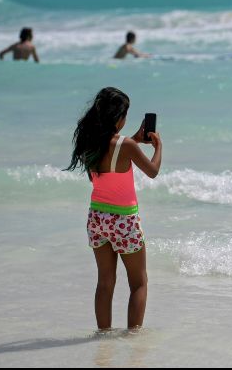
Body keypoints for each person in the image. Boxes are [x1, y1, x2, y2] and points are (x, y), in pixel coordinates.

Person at [65, 87, 163, 331]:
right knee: (139, 283)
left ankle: (103, 338)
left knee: (105, 283)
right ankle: (132, 339)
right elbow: (152, 171)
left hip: (97, 218)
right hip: (124, 221)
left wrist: (134, 140)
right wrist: (158, 145)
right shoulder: (126, 145)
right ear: (118, 117)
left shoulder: (91, 143)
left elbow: (104, 166)